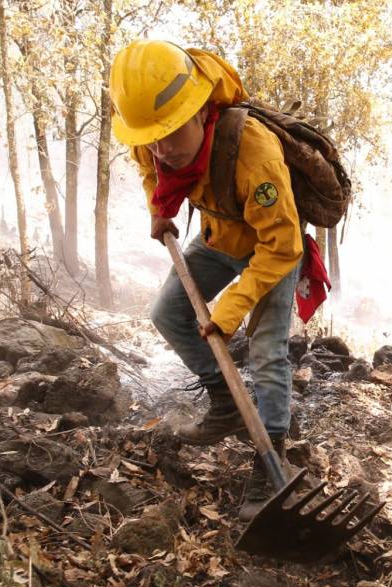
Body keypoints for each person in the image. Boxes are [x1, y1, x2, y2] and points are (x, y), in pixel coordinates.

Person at [109, 40, 303, 521]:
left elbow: (284, 245)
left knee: (266, 353)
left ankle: (272, 452)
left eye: (172, 134)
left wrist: (233, 307)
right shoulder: (149, 134)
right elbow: (146, 166)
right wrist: (160, 210)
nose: (162, 148)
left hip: (268, 251)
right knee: (166, 313)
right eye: (153, 137)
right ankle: (226, 402)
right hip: (219, 237)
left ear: (201, 111)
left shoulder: (254, 153)